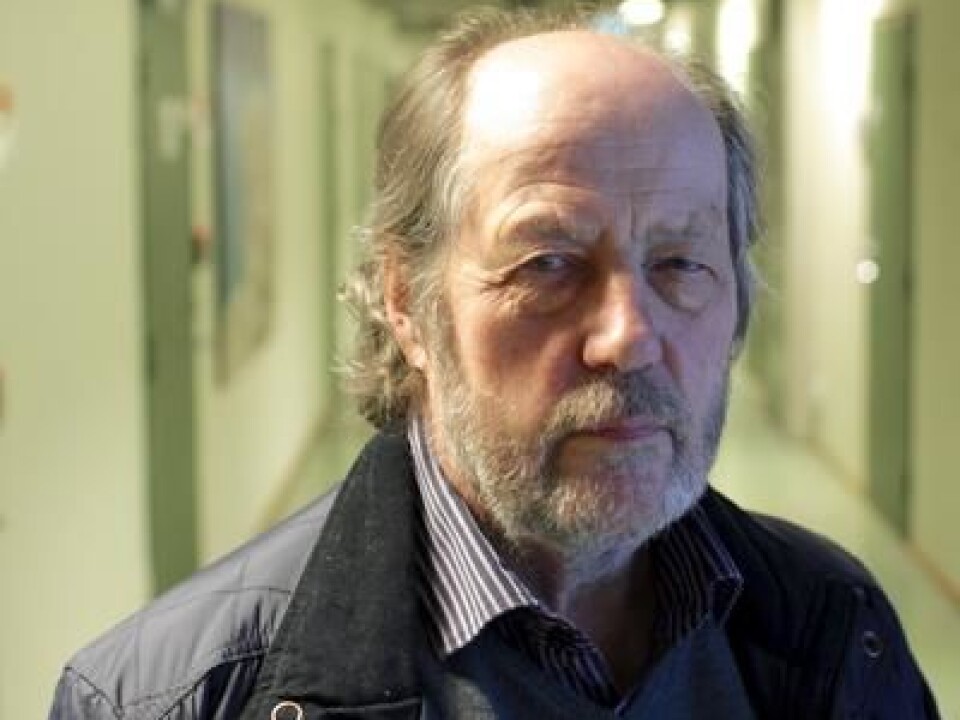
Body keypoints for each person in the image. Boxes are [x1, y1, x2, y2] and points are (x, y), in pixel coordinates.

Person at [50, 8, 939, 720]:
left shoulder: (835, 628)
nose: (628, 334)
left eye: (680, 264)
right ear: (405, 303)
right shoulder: (168, 696)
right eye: (546, 264)